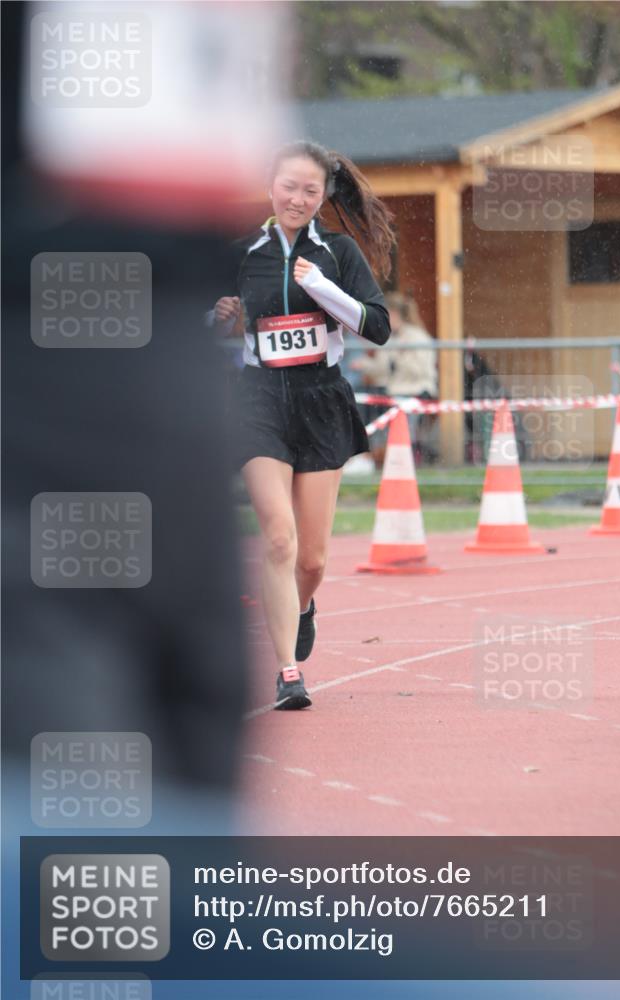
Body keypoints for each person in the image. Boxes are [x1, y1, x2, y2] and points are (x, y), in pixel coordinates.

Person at [211, 140, 395, 710]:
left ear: (324, 196)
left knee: (312, 558)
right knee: (278, 537)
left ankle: (304, 605)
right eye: (289, 186)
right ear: (270, 185)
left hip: (321, 400)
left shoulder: (338, 252)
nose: (297, 198)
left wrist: (323, 289)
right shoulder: (242, 252)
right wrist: (215, 318)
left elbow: (379, 328)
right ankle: (288, 670)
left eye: (310, 190)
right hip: (259, 400)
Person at [350, 291, 438, 463]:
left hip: (416, 390)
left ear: (395, 314)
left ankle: (402, 457)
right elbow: (383, 368)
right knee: (359, 401)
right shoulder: (390, 337)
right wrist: (365, 365)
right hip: (393, 391)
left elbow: (421, 371)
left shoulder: (417, 337)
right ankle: (365, 451)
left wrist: (400, 358)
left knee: (402, 419)